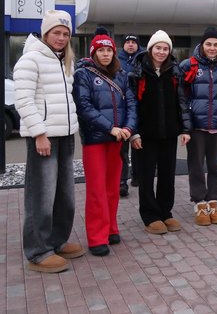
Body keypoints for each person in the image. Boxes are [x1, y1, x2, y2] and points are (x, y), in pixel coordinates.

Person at [14, 10, 84, 273]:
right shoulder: (30, 60)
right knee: (41, 197)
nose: (62, 38)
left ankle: (57, 240)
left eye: (66, 34)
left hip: (66, 136)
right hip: (43, 138)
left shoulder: (65, 61)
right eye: (57, 32)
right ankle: (38, 251)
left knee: (65, 196)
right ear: (45, 33)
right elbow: (23, 100)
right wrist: (39, 134)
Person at [74, 34, 137, 256]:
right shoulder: (83, 74)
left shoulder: (121, 75)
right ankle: (96, 237)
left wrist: (128, 129)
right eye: (100, 50)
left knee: (112, 188)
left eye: (109, 50)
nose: (105, 54)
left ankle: (111, 228)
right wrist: (110, 127)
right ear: (93, 52)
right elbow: (84, 106)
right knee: (97, 190)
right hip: (95, 140)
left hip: (117, 140)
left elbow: (131, 103)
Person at [129, 30, 192, 234]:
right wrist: (133, 132)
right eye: (158, 48)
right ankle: (150, 215)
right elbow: (131, 105)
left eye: (166, 48)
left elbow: (181, 101)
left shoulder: (174, 71)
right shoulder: (136, 71)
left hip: (168, 133)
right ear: (150, 49)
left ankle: (165, 212)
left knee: (167, 175)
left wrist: (185, 129)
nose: (162, 52)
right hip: (144, 135)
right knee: (146, 176)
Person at [181, 27, 217, 226]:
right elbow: (183, 96)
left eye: (216, 44)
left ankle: (213, 199)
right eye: (208, 44)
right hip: (197, 125)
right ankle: (199, 201)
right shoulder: (189, 65)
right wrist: (189, 115)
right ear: (202, 45)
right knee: (196, 165)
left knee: (215, 165)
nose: (212, 48)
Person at [117, 34, 143, 196]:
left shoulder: (142, 59)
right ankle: (122, 182)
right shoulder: (116, 60)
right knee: (122, 148)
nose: (131, 45)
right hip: (123, 107)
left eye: (134, 42)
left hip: (139, 107)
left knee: (139, 145)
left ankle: (137, 176)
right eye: (128, 42)